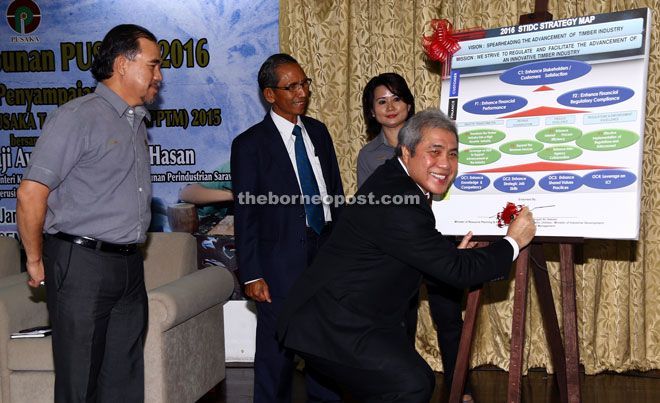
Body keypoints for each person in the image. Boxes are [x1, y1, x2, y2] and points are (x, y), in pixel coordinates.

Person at [277, 108, 536, 402]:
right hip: (330, 324)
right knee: (410, 384)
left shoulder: (397, 183)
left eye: (452, 154)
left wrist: (447, 259)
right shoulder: (400, 200)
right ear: (406, 151)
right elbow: (458, 271)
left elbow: (408, 253)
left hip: (348, 316)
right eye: (434, 152)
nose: (445, 164)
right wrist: (513, 241)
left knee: (408, 382)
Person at [16, 24, 162, 403]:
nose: (159, 76)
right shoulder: (76, 117)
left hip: (129, 265)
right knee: (79, 382)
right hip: (81, 264)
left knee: (123, 382)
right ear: (122, 65)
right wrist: (33, 258)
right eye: (153, 65)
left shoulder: (135, 121)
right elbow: (31, 193)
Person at [231, 53, 345, 402]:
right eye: (291, 86)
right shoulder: (249, 145)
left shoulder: (319, 133)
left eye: (304, 83)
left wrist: (344, 254)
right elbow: (246, 213)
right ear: (270, 94)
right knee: (276, 355)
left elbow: (334, 195)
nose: (302, 92)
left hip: (324, 255)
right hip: (278, 264)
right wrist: (252, 274)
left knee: (326, 348)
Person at [358, 73, 473, 401]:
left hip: (439, 244)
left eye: (396, 99)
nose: (390, 107)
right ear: (372, 111)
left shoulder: (437, 143)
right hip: (398, 254)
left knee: (450, 320)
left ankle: (459, 388)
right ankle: (401, 389)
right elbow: (372, 211)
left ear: (409, 105)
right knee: (400, 325)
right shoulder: (368, 156)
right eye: (381, 101)